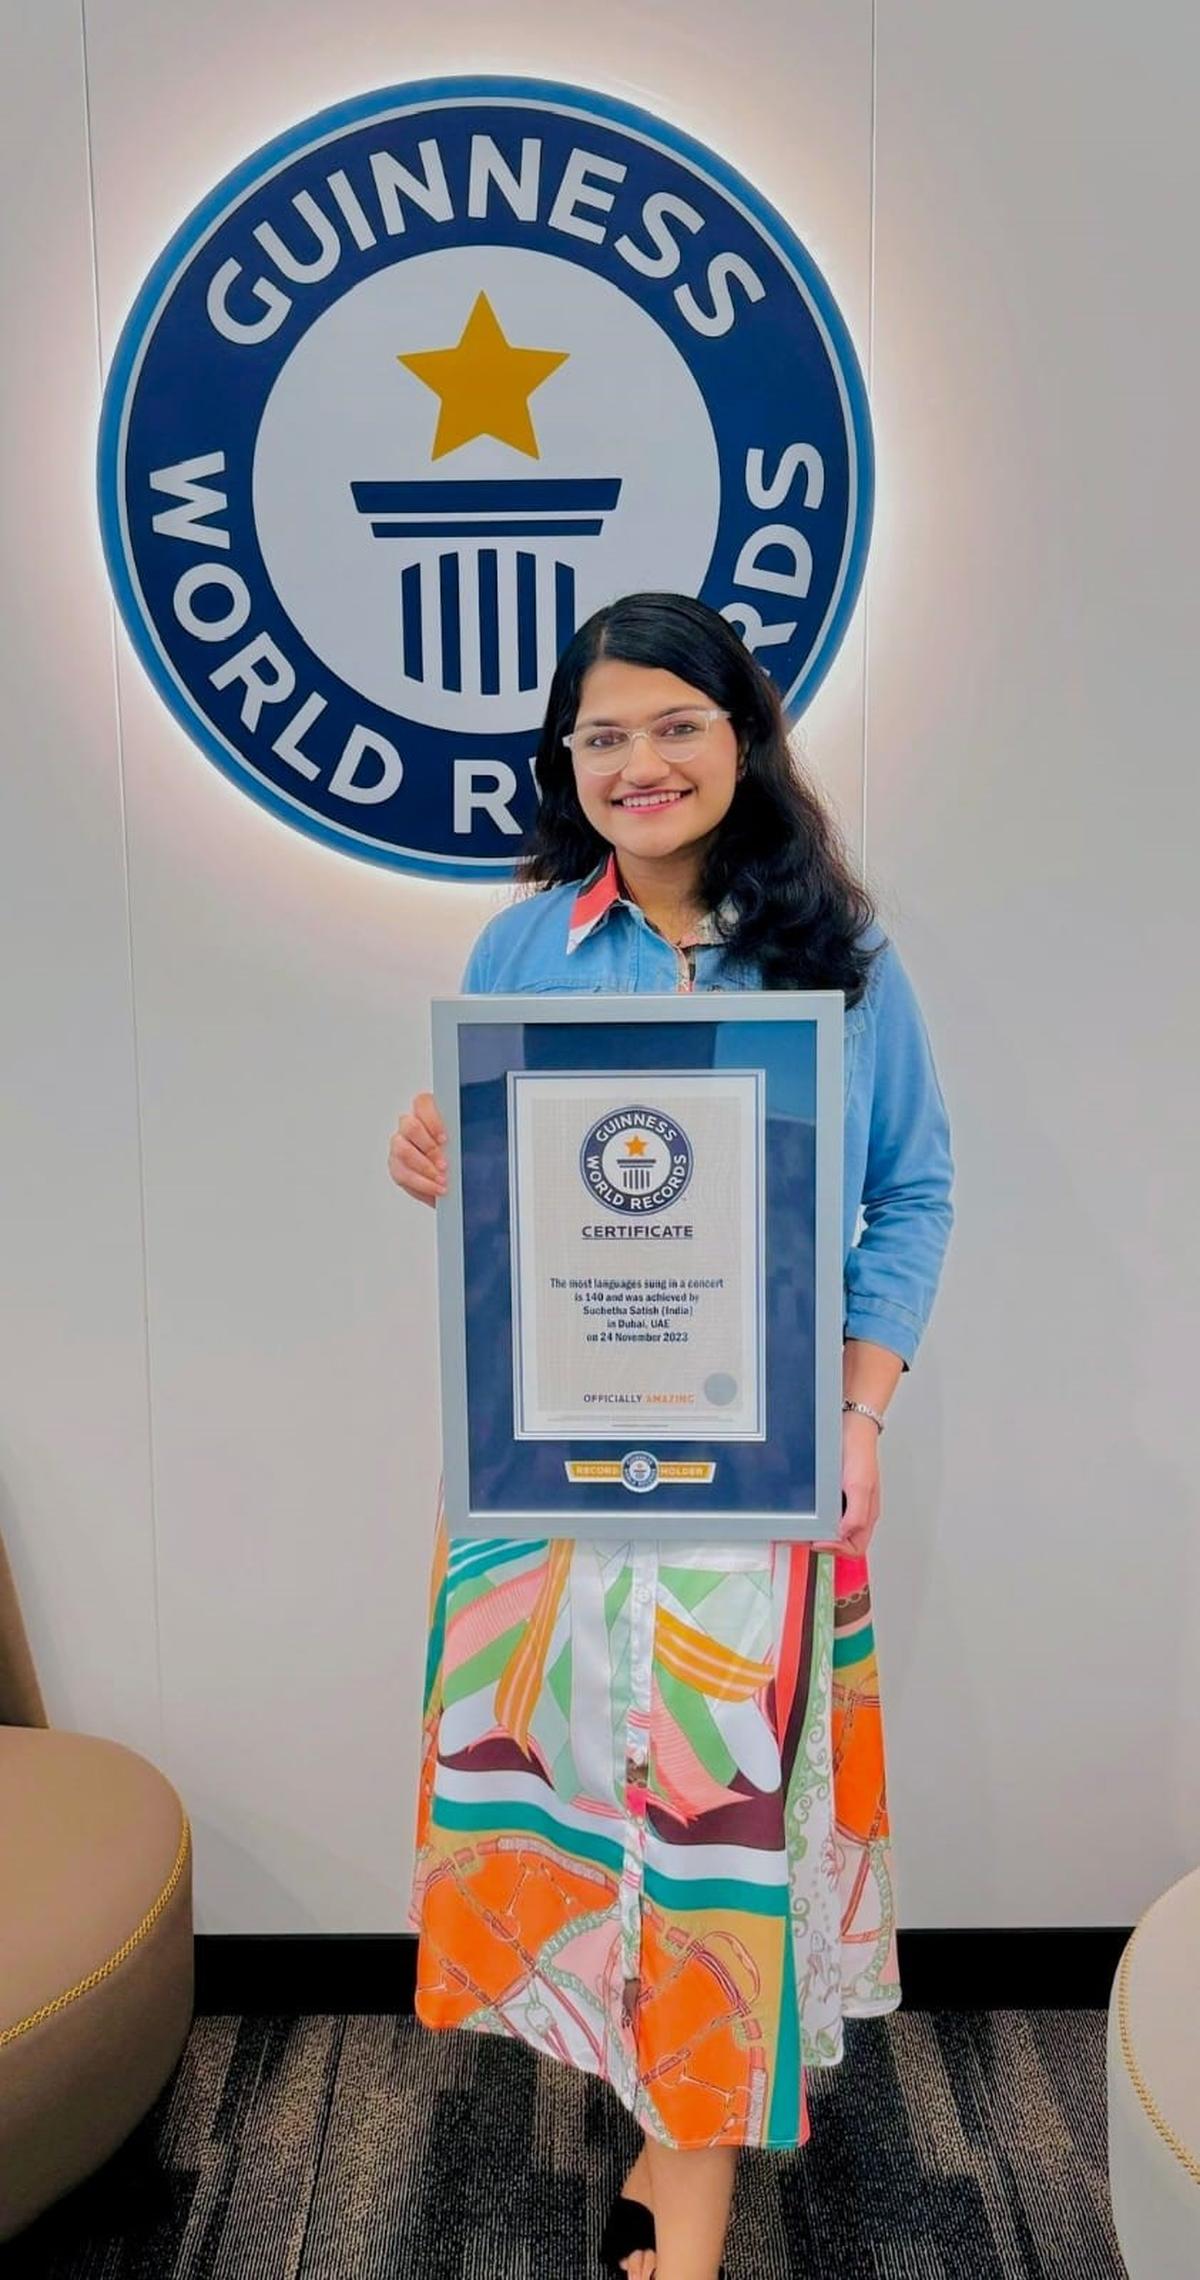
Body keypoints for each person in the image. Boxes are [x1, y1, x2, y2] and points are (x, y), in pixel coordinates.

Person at [388, 591, 954, 2280]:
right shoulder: (524, 950)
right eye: (604, 735)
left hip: (753, 1476)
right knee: (579, 1791)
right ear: (569, 763)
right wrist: (439, 1159)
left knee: (716, 1808)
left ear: (742, 736)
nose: (641, 762)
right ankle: (649, 2094)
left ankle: (690, 2183)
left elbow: (912, 1188)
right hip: (551, 1475)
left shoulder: (834, 956)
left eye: (676, 724)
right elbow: (521, 1226)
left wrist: (859, 1411)